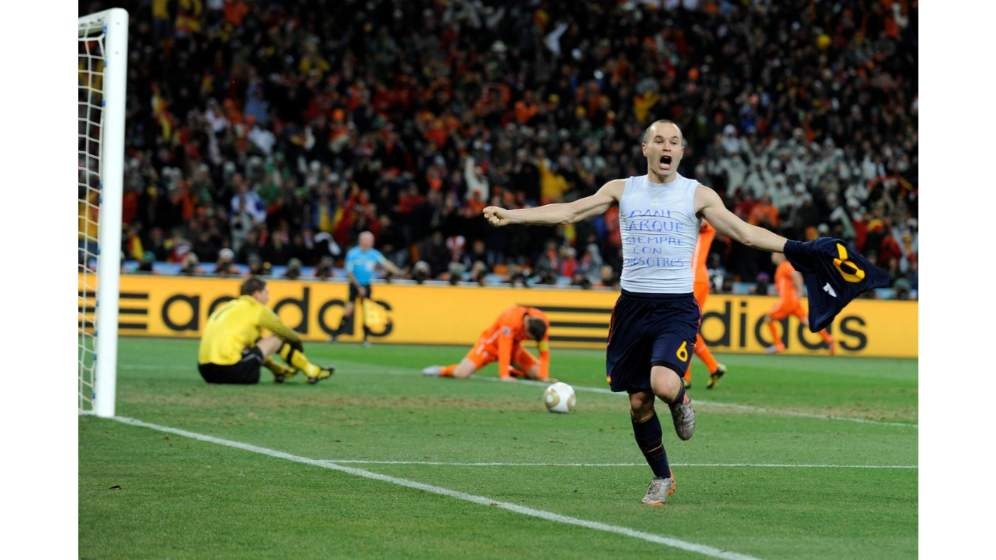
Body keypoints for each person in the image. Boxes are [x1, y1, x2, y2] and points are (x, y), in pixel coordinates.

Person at [481, 119, 868, 507]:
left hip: (676, 306)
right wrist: (513, 215)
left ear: (681, 152)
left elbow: (745, 233)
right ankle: (662, 477)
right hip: (631, 308)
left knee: (664, 384)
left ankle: (681, 401)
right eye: (659, 140)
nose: (667, 147)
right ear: (645, 148)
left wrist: (797, 248)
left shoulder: (697, 195)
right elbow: (568, 212)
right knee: (638, 402)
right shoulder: (622, 189)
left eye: (674, 142)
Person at [198, 276, 334, 385]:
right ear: (257, 294)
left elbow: (257, 349)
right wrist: (297, 342)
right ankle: (312, 371)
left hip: (206, 372)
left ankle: (279, 371)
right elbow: (284, 331)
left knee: (254, 345)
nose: (268, 297)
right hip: (231, 372)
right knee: (276, 338)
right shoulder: (256, 308)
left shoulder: (225, 307)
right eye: (266, 293)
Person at [422, 306, 551, 381]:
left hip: (514, 348)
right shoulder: (511, 319)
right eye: (528, 337)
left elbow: (544, 351)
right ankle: (441, 370)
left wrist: (544, 376)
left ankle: (515, 371)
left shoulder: (543, 325)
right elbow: (504, 348)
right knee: (461, 374)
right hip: (490, 346)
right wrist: (504, 375)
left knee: (538, 373)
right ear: (526, 326)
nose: (528, 339)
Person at [330, 231, 403, 345]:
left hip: (367, 285)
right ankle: (335, 335)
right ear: (361, 241)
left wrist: (399, 272)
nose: (370, 242)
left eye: (371, 240)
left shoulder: (373, 254)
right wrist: (359, 287)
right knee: (349, 310)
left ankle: (365, 339)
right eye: (368, 240)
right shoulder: (353, 253)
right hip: (355, 285)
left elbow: (386, 264)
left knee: (367, 312)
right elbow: (349, 272)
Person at [683, 220, 728, 390]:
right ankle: (714, 368)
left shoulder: (704, 223)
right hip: (694, 279)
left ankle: (685, 377)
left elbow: (702, 221)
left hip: (694, 280)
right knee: (688, 329)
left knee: (683, 327)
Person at [764, 252, 835, 354]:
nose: (772, 256)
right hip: (793, 301)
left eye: (773, 254)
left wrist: (800, 292)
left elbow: (796, 275)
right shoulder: (782, 267)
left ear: (780, 256)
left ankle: (778, 345)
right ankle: (829, 339)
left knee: (768, 318)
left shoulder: (785, 266)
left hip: (788, 301)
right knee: (808, 322)